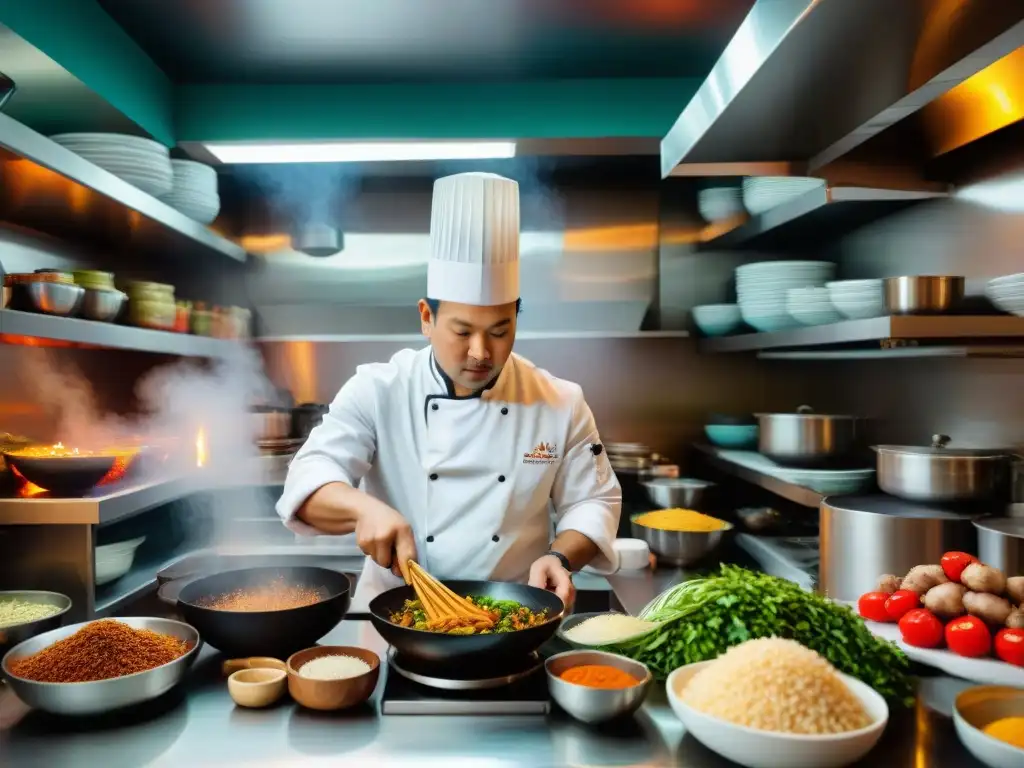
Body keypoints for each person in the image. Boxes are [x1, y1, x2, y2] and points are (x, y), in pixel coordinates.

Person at [277, 171, 622, 613]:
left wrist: (560, 557)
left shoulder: (560, 401)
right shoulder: (378, 389)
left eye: (500, 330)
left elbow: (593, 501)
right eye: (462, 331)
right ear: (426, 317)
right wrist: (363, 509)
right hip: (392, 619)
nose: (481, 352)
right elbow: (308, 481)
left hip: (511, 619)